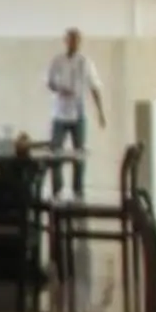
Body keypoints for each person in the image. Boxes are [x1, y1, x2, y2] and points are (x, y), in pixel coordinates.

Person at [43, 29, 105, 197]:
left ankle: (78, 189)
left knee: (79, 153)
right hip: (59, 113)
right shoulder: (57, 61)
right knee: (55, 152)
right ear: (66, 41)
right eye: (71, 40)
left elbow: (94, 86)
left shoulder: (85, 62)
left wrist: (100, 112)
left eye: (77, 40)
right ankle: (57, 189)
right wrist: (59, 89)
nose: (74, 43)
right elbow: (49, 82)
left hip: (78, 113)